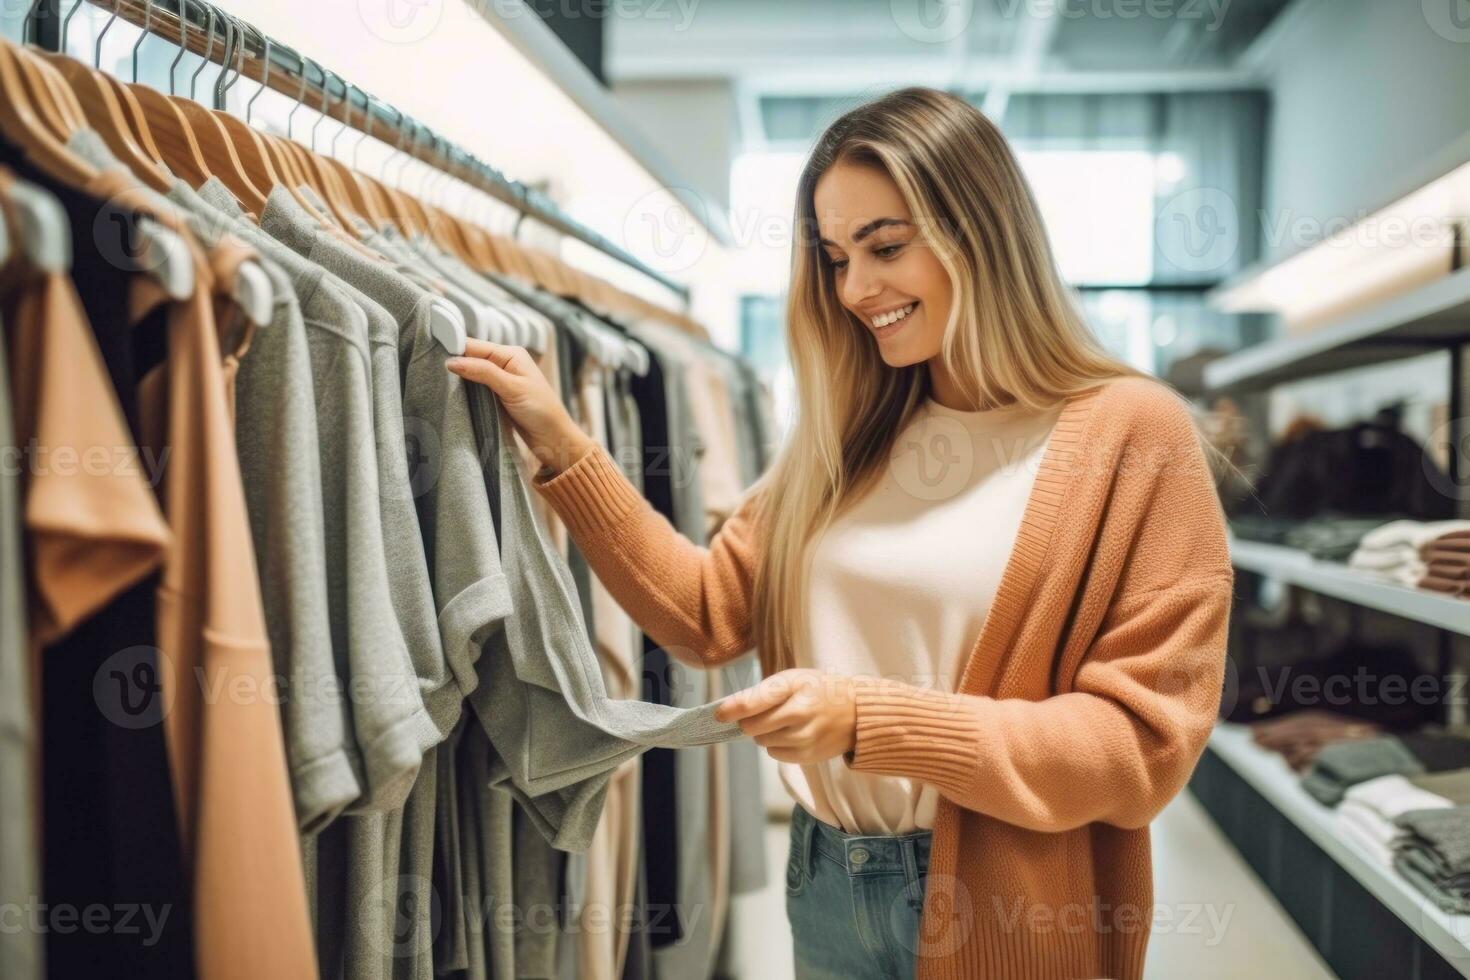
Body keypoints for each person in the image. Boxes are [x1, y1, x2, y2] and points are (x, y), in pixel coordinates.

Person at [447, 86, 1234, 980]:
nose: (856, 290)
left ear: (983, 230)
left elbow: (1139, 747)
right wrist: (562, 441)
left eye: (886, 246)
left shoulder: (1134, 433)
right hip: (827, 880)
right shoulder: (849, 430)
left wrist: (869, 717)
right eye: (833, 258)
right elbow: (705, 613)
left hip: (1008, 900)